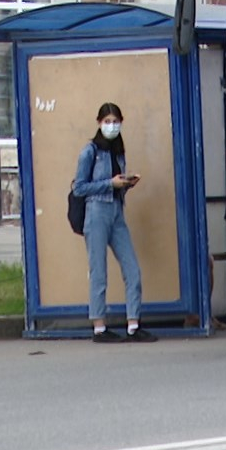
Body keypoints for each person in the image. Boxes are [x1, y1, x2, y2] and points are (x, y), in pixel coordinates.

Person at [72, 102, 154, 343]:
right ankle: (99, 327)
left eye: (115, 121)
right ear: (99, 123)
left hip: (116, 211)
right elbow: (79, 187)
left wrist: (126, 184)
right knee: (99, 270)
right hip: (96, 211)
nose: (111, 126)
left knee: (132, 269)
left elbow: (117, 185)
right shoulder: (90, 151)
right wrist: (110, 183)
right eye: (107, 121)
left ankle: (133, 324)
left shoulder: (118, 150)